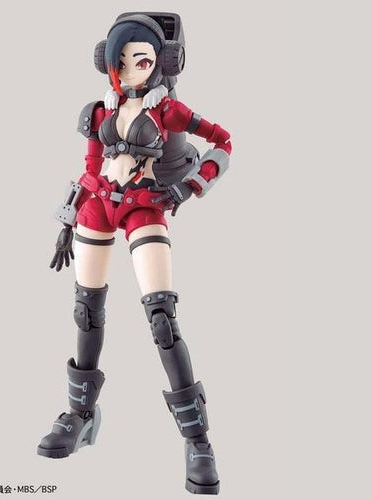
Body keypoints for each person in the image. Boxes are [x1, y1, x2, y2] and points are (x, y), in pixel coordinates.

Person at [37, 12, 232, 495]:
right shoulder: (98, 112)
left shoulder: (170, 111)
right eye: (119, 61)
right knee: (86, 310)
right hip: (99, 205)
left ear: (163, 61)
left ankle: (198, 439)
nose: (128, 70)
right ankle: (81, 414)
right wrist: (67, 219)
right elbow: (89, 169)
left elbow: (223, 143)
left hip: (144, 204)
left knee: (162, 319)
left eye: (140, 61)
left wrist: (189, 186)